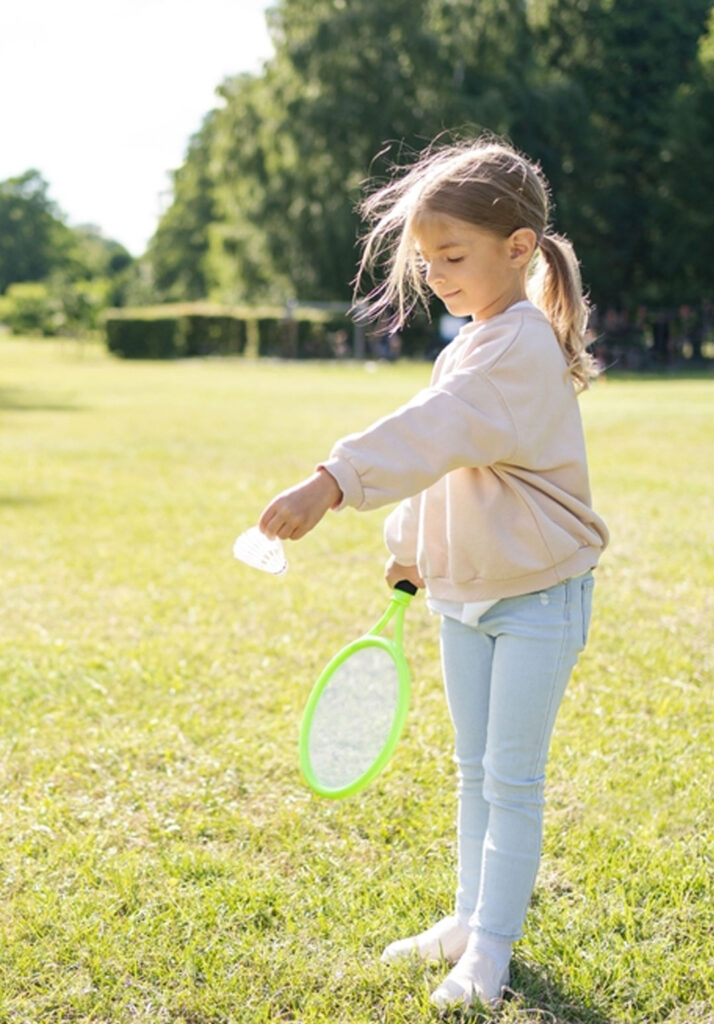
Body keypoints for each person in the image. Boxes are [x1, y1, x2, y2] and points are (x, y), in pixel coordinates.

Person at [259, 137, 609, 1009]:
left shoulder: (519, 345)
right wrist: (411, 546)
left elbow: (435, 428)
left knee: (511, 776)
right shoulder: (475, 341)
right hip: (465, 594)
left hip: (536, 597)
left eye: (452, 257)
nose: (437, 275)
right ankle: (464, 919)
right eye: (427, 260)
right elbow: (444, 453)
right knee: (471, 768)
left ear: (519, 247)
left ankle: (490, 948)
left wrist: (333, 479)